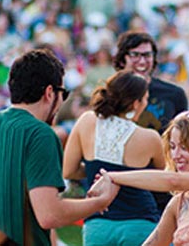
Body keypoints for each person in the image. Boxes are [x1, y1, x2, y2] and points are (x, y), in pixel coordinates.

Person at [0, 49, 118, 245]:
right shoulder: (41, 134)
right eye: (64, 93)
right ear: (49, 93)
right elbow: (49, 215)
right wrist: (100, 202)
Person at [90, 109, 189, 246]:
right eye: (172, 147)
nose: (176, 156)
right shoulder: (178, 202)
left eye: (184, 147)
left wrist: (112, 177)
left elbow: (173, 181)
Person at [63, 70, 165, 246]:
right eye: (145, 98)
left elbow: (69, 170)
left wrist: (96, 173)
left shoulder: (86, 121)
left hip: (97, 225)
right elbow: (163, 179)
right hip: (139, 223)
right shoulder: (149, 138)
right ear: (135, 103)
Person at [114, 30, 188, 134]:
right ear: (122, 60)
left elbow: (183, 135)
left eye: (147, 55)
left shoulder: (174, 94)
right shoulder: (111, 93)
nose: (142, 61)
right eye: (135, 55)